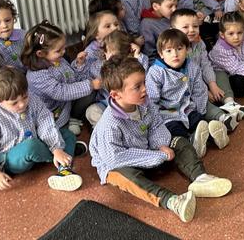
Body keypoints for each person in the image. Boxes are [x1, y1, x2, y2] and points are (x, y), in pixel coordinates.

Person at [90, 56, 232, 223]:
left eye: (144, 83)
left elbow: (156, 124)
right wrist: (157, 156)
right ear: (116, 95)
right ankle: (172, 201)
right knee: (126, 176)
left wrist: (161, 145)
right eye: (137, 87)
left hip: (150, 151)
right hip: (118, 163)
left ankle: (200, 178)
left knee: (179, 141)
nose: (145, 89)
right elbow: (115, 158)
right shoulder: (110, 123)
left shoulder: (145, 103)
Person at [0, 67, 82, 194]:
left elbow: (46, 123)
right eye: (14, 103)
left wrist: (56, 148)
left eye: (25, 97)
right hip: (13, 159)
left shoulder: (33, 100)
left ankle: (64, 170)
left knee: (67, 134)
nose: (22, 104)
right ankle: (66, 155)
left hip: (37, 144)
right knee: (30, 146)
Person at [146, 29, 234, 157]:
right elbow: (152, 99)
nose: (175, 54)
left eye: (179, 49)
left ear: (187, 50)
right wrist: (156, 121)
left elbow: (199, 91)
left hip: (187, 108)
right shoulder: (156, 72)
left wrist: (200, 111)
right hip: (167, 113)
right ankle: (193, 142)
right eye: (169, 51)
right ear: (161, 54)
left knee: (199, 121)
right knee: (176, 131)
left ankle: (214, 137)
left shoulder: (192, 66)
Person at [23, 21, 99, 152]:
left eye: (64, 47)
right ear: (40, 54)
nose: (64, 52)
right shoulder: (36, 76)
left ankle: (73, 118)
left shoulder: (58, 60)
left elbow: (72, 77)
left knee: (90, 91)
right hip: (51, 112)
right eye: (58, 50)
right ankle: (60, 142)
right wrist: (91, 84)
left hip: (64, 104)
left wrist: (78, 64)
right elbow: (61, 92)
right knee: (55, 131)